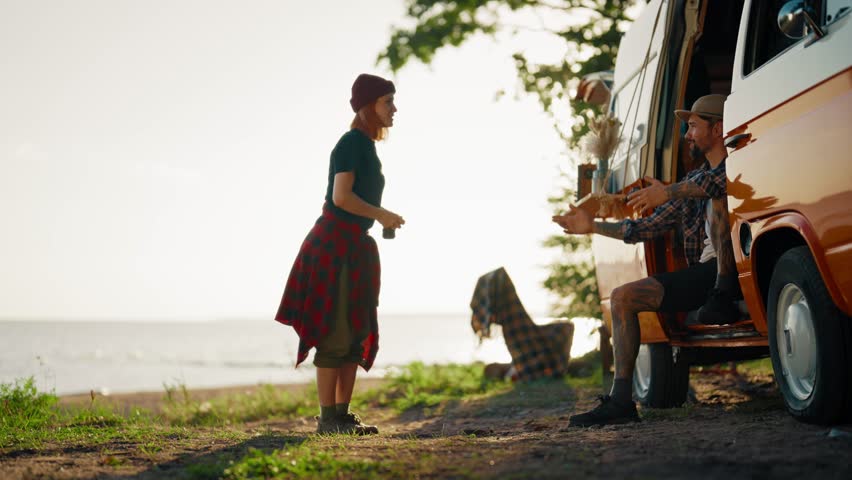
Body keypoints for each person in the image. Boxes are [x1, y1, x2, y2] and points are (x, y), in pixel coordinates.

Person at [553, 94, 738, 427]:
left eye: (694, 126)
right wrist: (591, 226)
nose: (688, 135)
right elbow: (643, 227)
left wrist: (669, 191)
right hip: (703, 278)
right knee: (623, 297)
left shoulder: (741, 164)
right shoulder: (691, 182)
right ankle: (621, 401)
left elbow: (721, 182)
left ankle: (724, 294)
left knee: (717, 196)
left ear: (719, 128)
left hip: (736, 272)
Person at [274, 73, 405, 435]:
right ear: (368, 106)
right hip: (333, 248)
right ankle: (327, 419)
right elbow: (341, 197)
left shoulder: (367, 146)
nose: (394, 108)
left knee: (354, 334)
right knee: (334, 332)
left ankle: (342, 415)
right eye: (387, 101)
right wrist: (381, 214)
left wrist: (379, 216)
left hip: (356, 246)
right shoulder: (350, 143)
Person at [470, 267, 574, 382]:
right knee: (566, 326)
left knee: (566, 326)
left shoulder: (513, 324)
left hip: (527, 352)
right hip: (528, 354)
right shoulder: (512, 322)